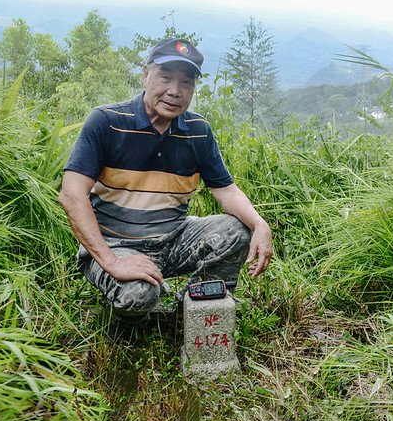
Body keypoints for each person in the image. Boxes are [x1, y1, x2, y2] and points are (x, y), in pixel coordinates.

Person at [58, 37, 273, 320]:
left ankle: (195, 310)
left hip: (173, 240)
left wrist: (259, 223)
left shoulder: (198, 131)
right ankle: (139, 313)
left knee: (237, 230)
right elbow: (71, 195)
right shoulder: (106, 121)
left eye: (186, 82)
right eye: (166, 77)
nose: (175, 91)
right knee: (138, 297)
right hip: (116, 245)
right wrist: (112, 262)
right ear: (146, 75)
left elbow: (226, 191)